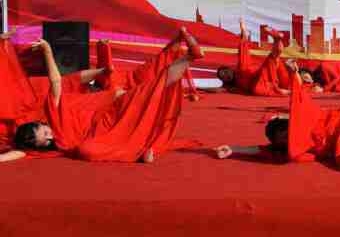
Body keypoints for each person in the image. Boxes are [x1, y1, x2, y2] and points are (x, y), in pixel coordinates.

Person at [0, 28, 202, 164]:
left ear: (41, 123)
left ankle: (190, 56)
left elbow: (58, 81)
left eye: (45, 132)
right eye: (44, 141)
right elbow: (17, 153)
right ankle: (141, 151)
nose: (49, 137)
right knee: (87, 151)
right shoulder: (47, 148)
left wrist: (47, 51)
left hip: (109, 118)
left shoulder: (53, 112)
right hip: (102, 139)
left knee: (153, 87)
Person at [213, 19, 290, 96]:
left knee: (257, 87)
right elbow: (215, 89)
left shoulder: (242, 69)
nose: (226, 75)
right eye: (223, 76)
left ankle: (277, 40)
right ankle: (277, 40)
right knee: (276, 61)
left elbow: (243, 47)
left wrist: (243, 29)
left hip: (264, 78)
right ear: (224, 81)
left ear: (229, 69)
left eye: (225, 72)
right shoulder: (229, 87)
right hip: (277, 82)